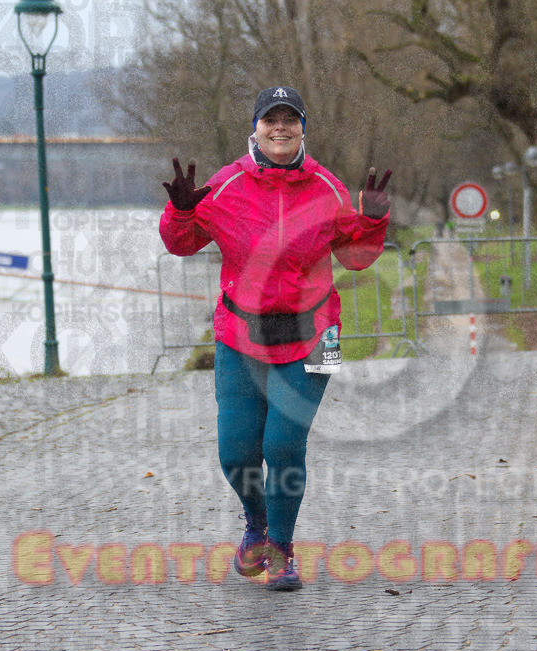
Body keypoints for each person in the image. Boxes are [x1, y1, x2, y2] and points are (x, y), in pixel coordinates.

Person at [158, 86, 392, 591]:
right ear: (257, 128)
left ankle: (283, 549)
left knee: (284, 444)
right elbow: (181, 244)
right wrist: (179, 213)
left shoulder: (327, 187)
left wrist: (373, 221)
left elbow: (356, 254)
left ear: (303, 127)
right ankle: (257, 526)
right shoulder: (224, 185)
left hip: (315, 333)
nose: (280, 128)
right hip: (240, 335)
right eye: (272, 119)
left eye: (290, 119)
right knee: (236, 451)